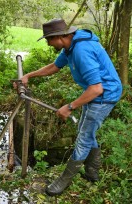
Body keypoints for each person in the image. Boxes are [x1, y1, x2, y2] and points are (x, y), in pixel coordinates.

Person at [18, 19, 122, 196]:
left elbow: (97, 88)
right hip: (95, 93)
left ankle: (63, 181)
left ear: (59, 37)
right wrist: (29, 75)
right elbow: (54, 67)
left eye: (48, 39)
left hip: (104, 96)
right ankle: (92, 172)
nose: (48, 43)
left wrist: (70, 106)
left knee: (83, 138)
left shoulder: (82, 50)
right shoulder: (70, 47)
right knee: (85, 131)